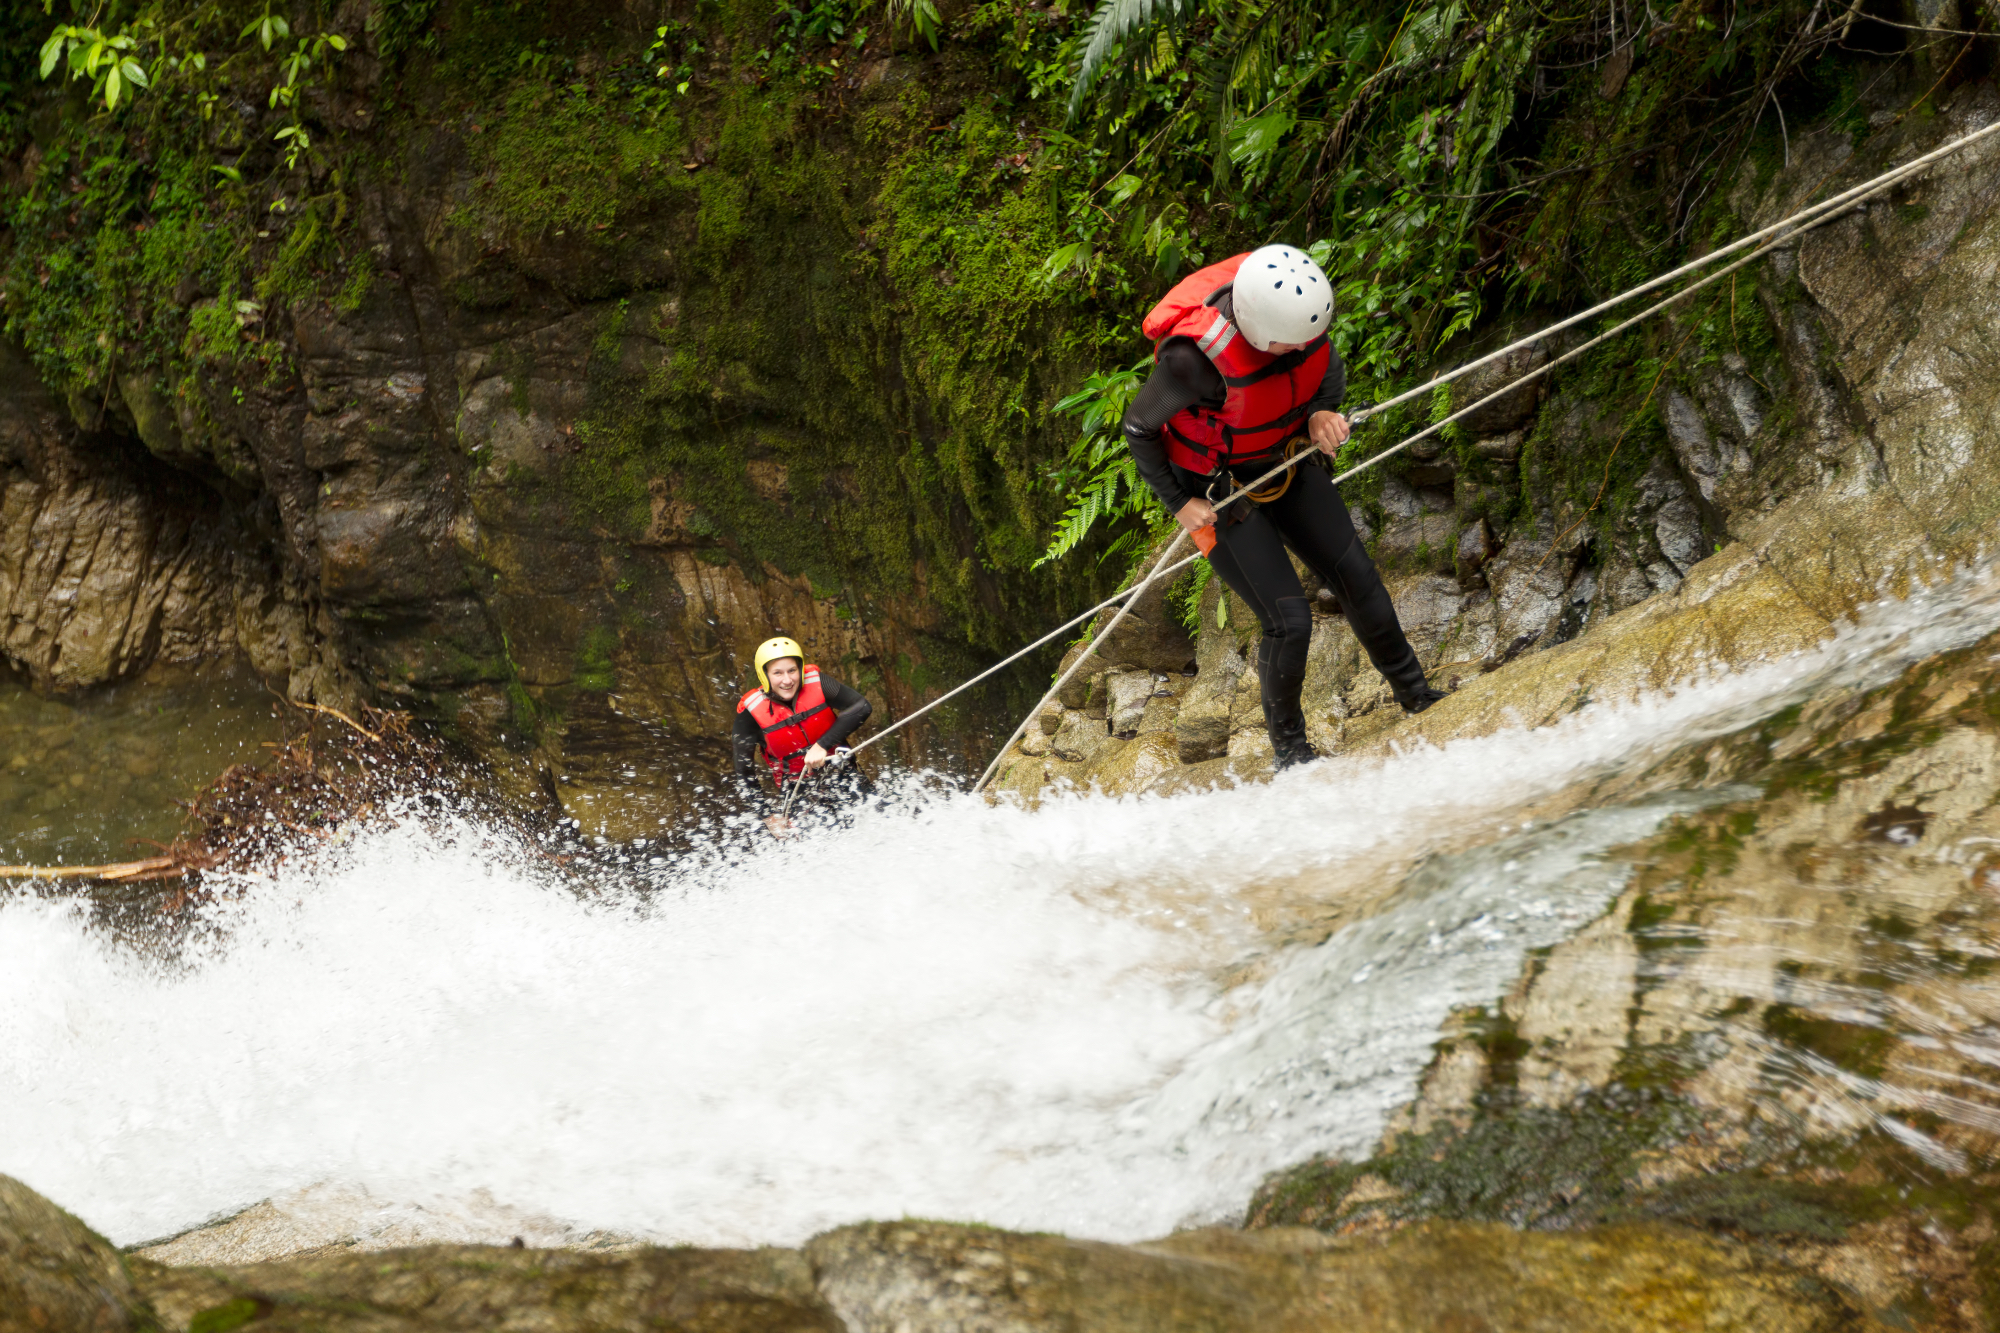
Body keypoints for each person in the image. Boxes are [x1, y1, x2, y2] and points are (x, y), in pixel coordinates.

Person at [1121, 244, 1446, 770]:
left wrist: (1321, 413)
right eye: (1287, 344)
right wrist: (1179, 502)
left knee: (1356, 576)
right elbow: (1139, 428)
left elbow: (1327, 371)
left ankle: (1416, 695)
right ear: (1254, 326)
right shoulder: (1191, 361)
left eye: (1305, 340)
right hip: (1219, 492)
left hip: (1284, 461)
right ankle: (1290, 752)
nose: (1298, 350)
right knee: (1288, 621)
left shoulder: (1302, 325)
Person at [732, 635, 875, 834]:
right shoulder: (749, 717)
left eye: (792, 670)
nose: (787, 680)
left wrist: (822, 745)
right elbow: (744, 772)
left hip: (842, 775)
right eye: (778, 673)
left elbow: (862, 707)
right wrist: (767, 816)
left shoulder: (820, 683)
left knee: (879, 821)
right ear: (764, 675)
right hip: (799, 793)